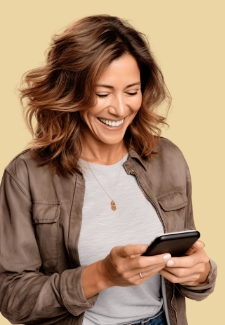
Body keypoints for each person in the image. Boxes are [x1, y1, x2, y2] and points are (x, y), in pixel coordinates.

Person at [0, 15, 217, 325]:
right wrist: (100, 275)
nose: (119, 108)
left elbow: (193, 270)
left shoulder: (168, 158)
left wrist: (200, 272)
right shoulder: (26, 176)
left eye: (132, 92)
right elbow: (12, 298)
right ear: (70, 92)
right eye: (102, 94)